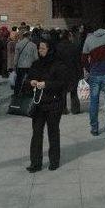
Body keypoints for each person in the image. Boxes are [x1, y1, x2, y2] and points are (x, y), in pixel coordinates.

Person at [26, 40, 66, 172]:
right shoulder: (36, 64)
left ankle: (54, 160)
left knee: (53, 132)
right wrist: (31, 82)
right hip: (38, 104)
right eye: (39, 48)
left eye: (43, 48)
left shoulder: (58, 64)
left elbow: (62, 83)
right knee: (36, 133)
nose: (40, 51)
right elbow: (28, 79)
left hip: (54, 103)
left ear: (49, 49)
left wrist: (46, 84)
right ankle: (35, 163)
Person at [55, 30, 82, 115]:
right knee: (74, 91)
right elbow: (77, 60)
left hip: (61, 72)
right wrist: (80, 71)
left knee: (62, 91)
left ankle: (63, 109)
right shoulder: (74, 46)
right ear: (68, 37)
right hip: (72, 71)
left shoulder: (58, 47)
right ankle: (75, 109)